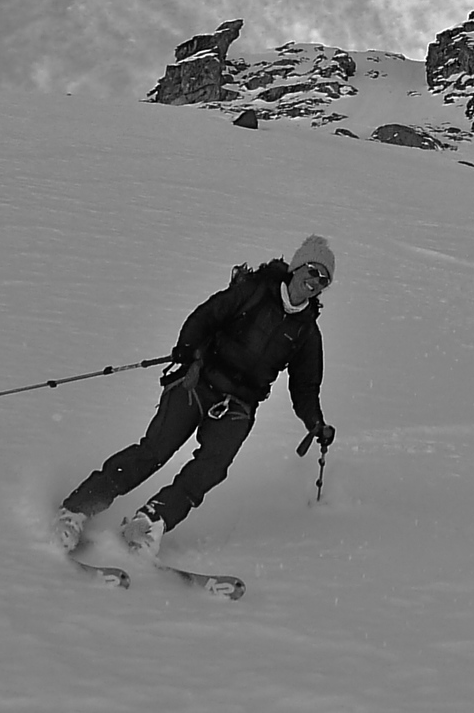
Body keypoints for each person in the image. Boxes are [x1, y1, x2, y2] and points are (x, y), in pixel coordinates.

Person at [53, 234, 338, 557]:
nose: (315, 281)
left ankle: (148, 523)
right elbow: (206, 316)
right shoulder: (255, 292)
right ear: (297, 267)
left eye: (324, 279)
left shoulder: (307, 333)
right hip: (200, 381)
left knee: (211, 468)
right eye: (312, 271)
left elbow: (305, 386)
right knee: (154, 451)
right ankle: (76, 510)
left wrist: (314, 422)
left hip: (239, 405)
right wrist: (188, 352)